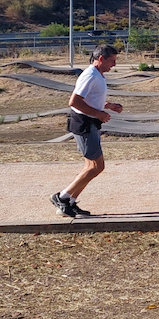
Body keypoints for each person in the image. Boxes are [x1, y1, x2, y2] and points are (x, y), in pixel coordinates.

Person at [51, 44, 123, 218]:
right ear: (100, 59)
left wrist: (108, 106)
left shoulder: (98, 75)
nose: (113, 65)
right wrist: (99, 113)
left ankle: (70, 203)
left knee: (91, 166)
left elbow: (90, 99)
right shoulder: (90, 75)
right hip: (84, 124)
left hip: (89, 123)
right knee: (97, 166)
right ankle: (62, 197)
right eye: (111, 61)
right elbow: (74, 101)